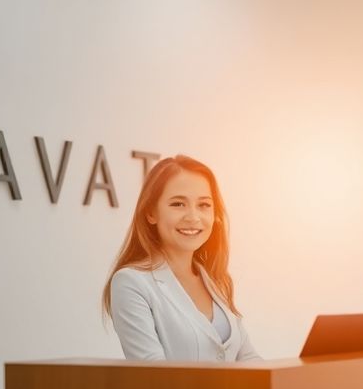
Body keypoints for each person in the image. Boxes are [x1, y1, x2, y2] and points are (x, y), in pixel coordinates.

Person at [102, 155, 261, 362]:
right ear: (151, 213)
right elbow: (152, 373)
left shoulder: (216, 282)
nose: (193, 217)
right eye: (178, 204)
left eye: (204, 205)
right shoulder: (131, 282)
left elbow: (250, 359)